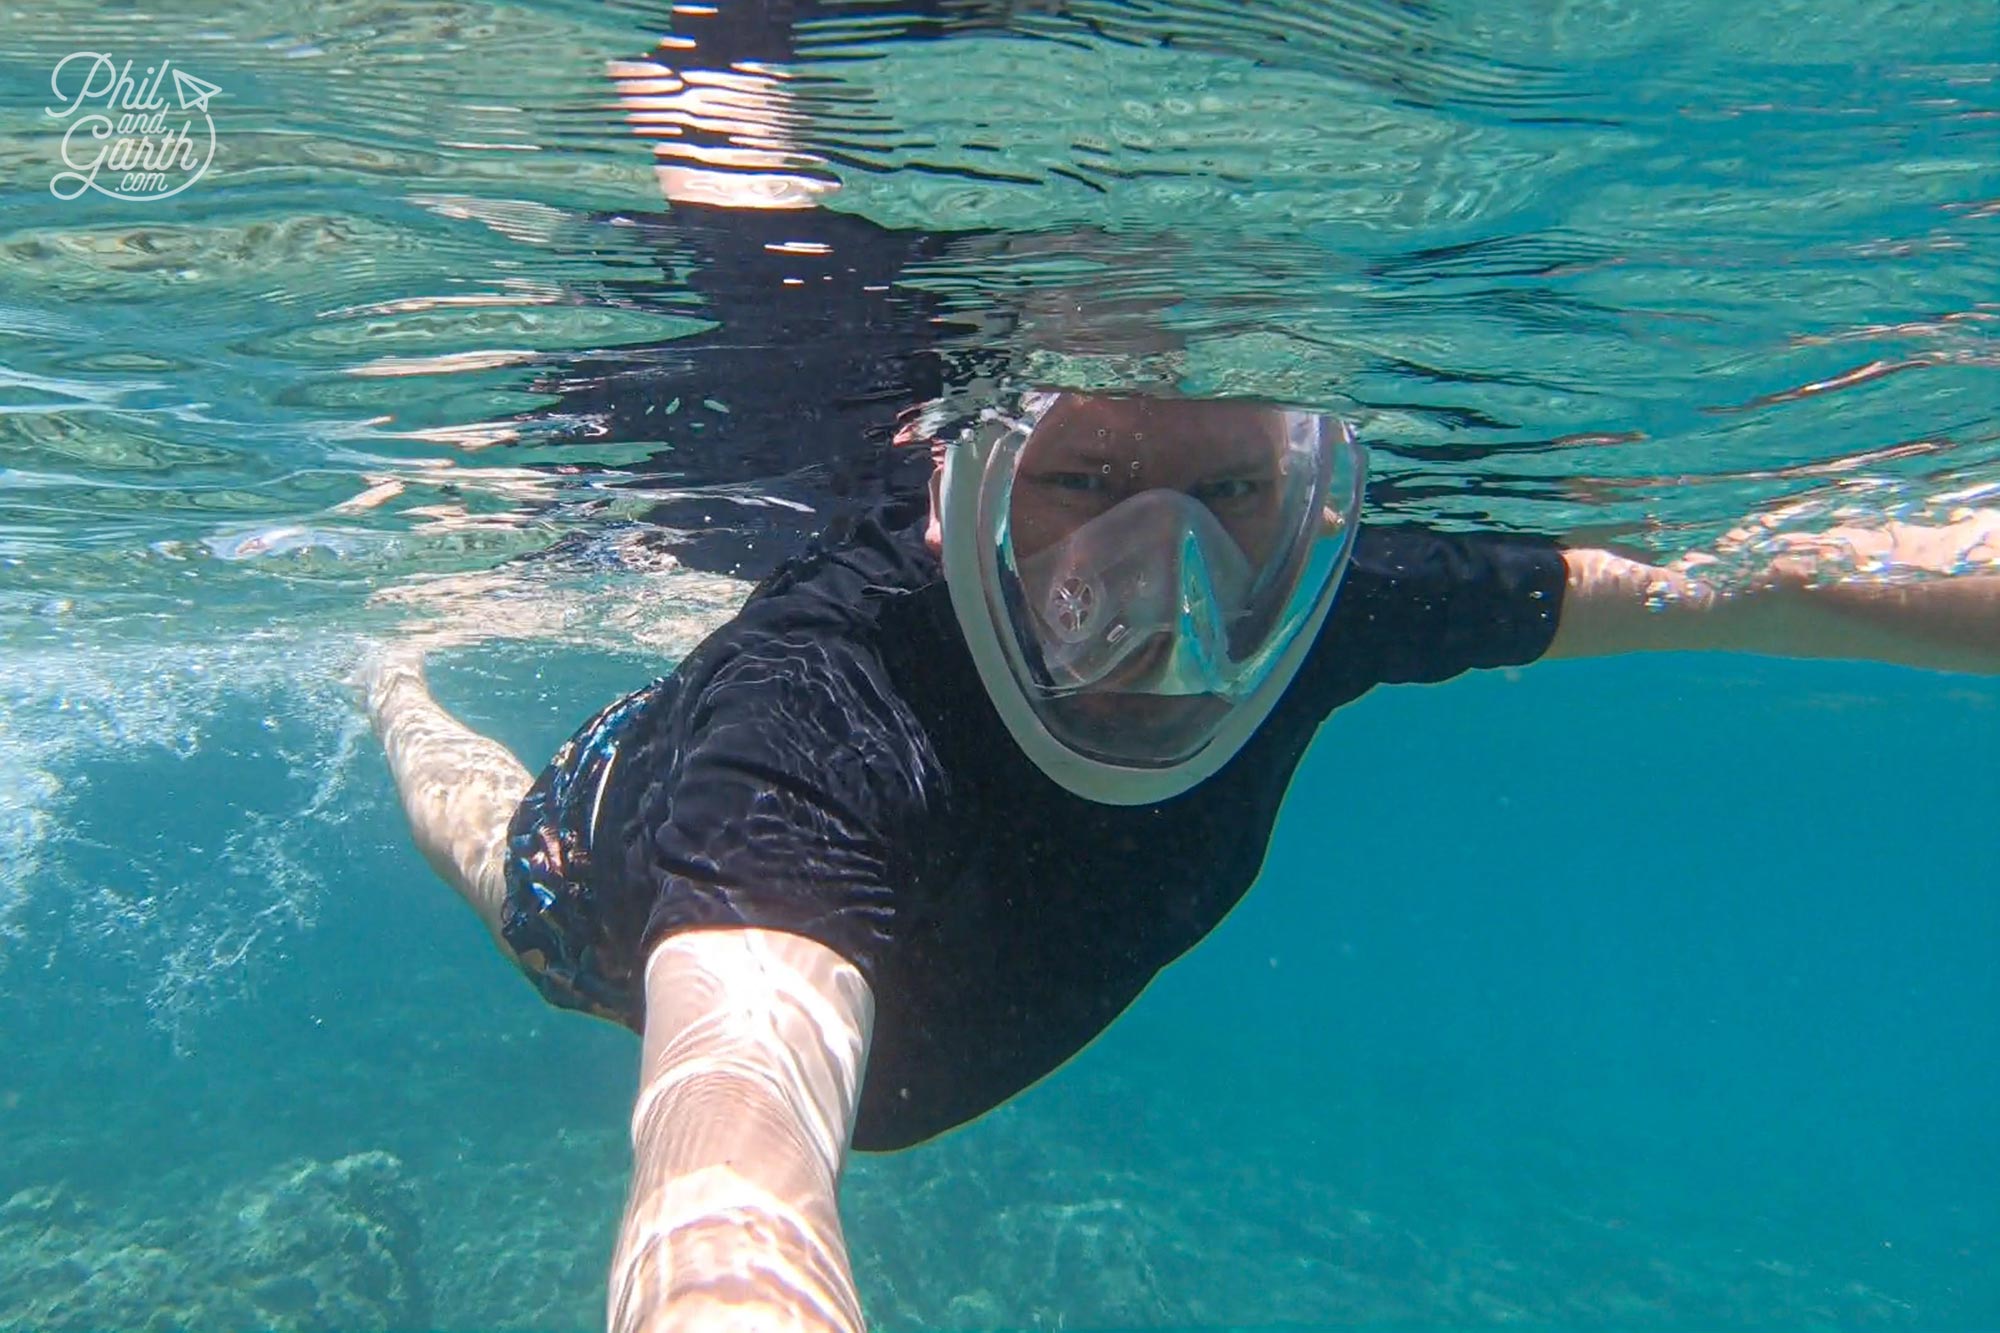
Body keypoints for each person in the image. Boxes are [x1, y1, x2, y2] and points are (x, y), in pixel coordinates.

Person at [364, 5, 2000, 1332]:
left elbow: (1747, 585)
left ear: (1306, 491)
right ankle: (394, 685)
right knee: (506, 866)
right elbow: (727, 1156)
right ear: (966, 495)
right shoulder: (819, 720)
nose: (1170, 593)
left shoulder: (1342, 600)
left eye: (1231, 497)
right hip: (603, 852)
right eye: (1084, 488)